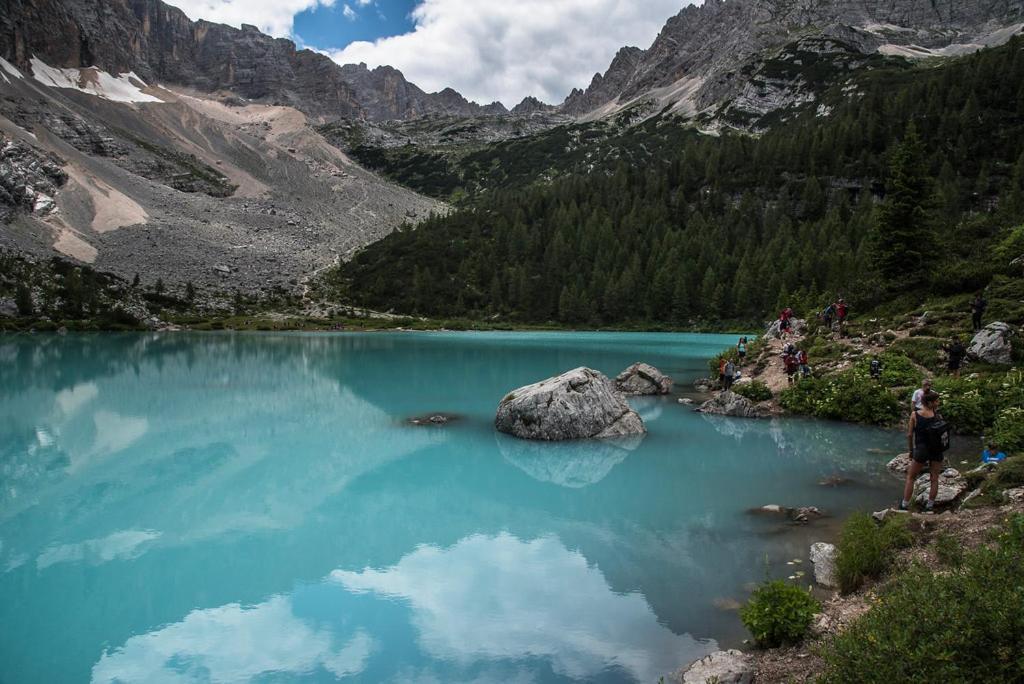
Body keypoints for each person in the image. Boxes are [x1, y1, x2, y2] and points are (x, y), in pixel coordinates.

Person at [901, 391, 947, 512]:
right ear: (930, 402)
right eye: (937, 401)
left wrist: (911, 451)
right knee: (935, 478)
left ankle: (905, 504)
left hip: (921, 449)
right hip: (936, 450)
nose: (938, 402)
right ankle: (930, 506)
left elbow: (910, 435)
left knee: (911, 477)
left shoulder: (915, 415)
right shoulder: (938, 416)